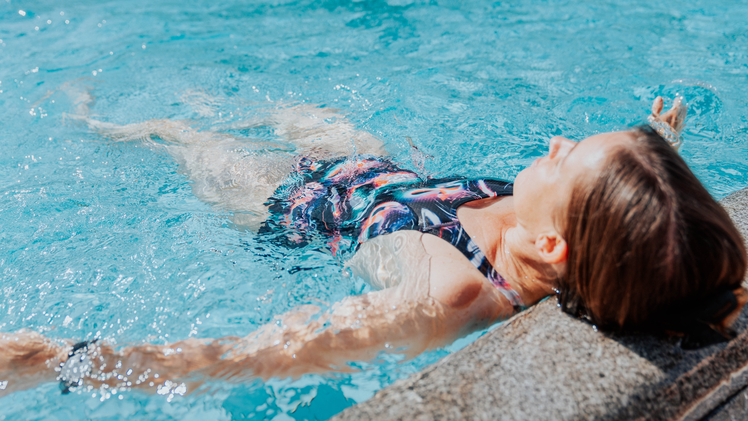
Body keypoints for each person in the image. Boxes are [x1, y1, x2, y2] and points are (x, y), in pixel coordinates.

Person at [0, 92, 745, 399]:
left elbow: (265, 353)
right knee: (285, 106)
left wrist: (64, 358)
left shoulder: (451, 291)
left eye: (568, 156)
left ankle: (89, 119)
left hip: (287, 201)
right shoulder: (557, 227)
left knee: (178, 135)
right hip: (376, 168)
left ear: (555, 247)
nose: (556, 143)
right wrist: (659, 149)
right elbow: (635, 228)